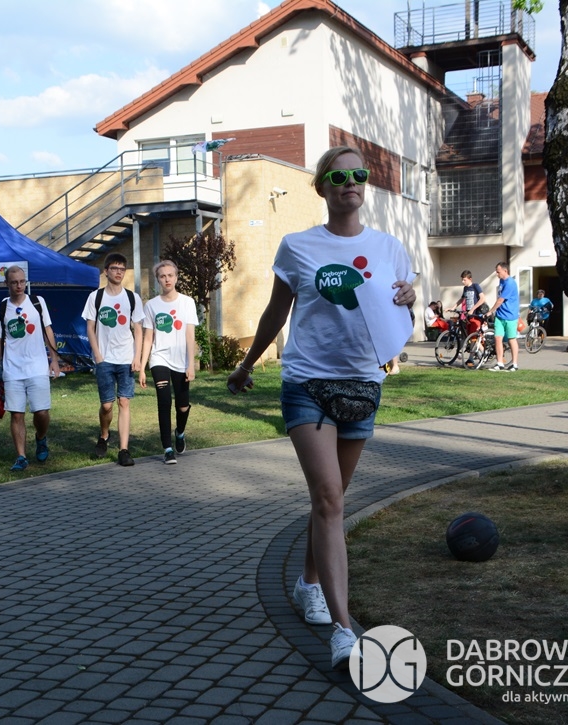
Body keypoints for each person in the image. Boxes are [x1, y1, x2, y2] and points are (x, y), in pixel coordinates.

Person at [227, 146, 416, 671]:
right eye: (339, 175)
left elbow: (403, 315)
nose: (350, 182)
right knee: (330, 498)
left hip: (363, 385)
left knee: (330, 501)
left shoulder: (389, 248)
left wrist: (410, 301)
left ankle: (309, 581)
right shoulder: (298, 246)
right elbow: (275, 312)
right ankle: (343, 630)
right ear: (322, 187)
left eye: (359, 174)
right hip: (307, 382)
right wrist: (246, 365)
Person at [0, 266, 61, 471]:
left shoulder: (37, 302)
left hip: (37, 367)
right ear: (6, 284)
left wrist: (54, 360)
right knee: (16, 414)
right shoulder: (0, 309)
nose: (19, 286)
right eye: (14, 282)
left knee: (41, 412)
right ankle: (21, 456)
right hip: (12, 369)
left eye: (22, 282)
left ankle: (41, 437)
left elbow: (48, 331)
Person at [82, 253, 144, 467]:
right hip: (104, 359)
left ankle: (124, 450)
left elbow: (138, 329)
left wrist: (137, 357)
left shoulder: (132, 298)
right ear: (106, 271)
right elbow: (90, 328)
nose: (119, 272)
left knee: (124, 401)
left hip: (126, 358)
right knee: (107, 405)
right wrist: (97, 355)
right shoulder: (96, 297)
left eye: (122, 269)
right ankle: (104, 434)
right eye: (115, 268)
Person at [138, 260, 198, 464]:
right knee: (164, 402)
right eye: (163, 276)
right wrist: (143, 368)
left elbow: (190, 336)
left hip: (181, 361)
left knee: (183, 406)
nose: (167, 279)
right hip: (159, 359)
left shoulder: (187, 303)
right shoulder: (151, 305)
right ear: (158, 280)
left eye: (170, 275)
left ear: (176, 277)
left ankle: (179, 433)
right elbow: (148, 338)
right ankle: (168, 449)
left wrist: (190, 364)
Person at [486, 262, 520, 372]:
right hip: (500, 316)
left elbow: (500, 300)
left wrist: (490, 311)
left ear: (505, 271)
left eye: (498, 272)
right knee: (498, 338)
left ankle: (514, 364)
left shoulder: (510, 283)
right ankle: (499, 363)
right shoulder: (501, 281)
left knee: (511, 339)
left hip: (510, 316)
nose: (497, 274)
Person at [454, 270, 486, 335]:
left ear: (470, 279)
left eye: (464, 280)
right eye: (462, 280)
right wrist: (453, 307)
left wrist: (472, 309)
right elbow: (462, 299)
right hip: (468, 315)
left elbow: (482, 298)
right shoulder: (465, 288)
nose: (463, 282)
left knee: (473, 336)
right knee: (468, 335)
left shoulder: (475, 286)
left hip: (475, 315)